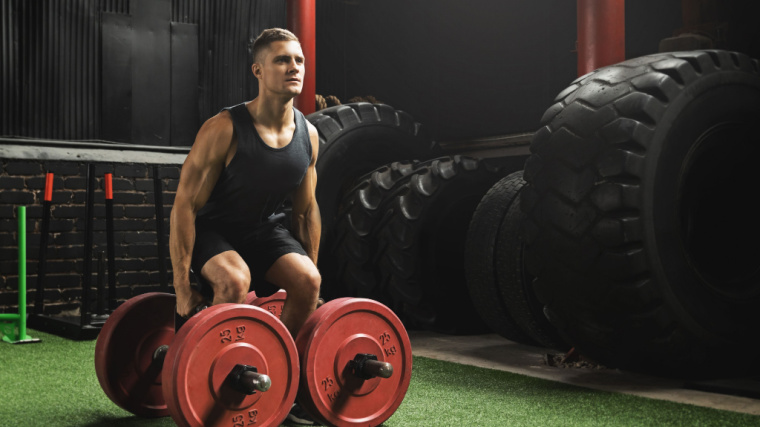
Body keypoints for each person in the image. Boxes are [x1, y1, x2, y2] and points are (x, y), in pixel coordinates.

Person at [169, 29, 321, 424]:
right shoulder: (224, 127)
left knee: (307, 282)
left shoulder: (309, 134)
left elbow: (305, 212)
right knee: (234, 280)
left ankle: (276, 375)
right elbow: (185, 205)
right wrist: (183, 289)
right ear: (258, 69)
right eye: (282, 60)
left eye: (299, 60)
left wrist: (314, 274)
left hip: (262, 230)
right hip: (212, 228)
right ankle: (206, 384)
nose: (294, 68)